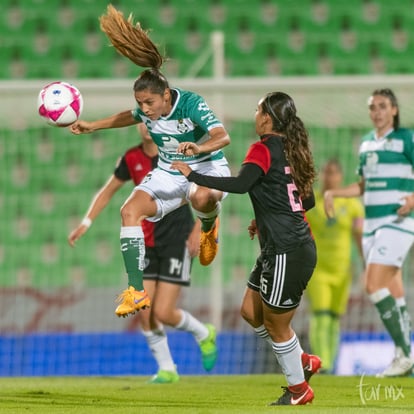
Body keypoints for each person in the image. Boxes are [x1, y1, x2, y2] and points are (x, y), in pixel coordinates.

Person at [70, 4, 231, 318]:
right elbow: (125, 117)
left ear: (167, 96)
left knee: (202, 197)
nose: (144, 109)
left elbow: (223, 136)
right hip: (169, 170)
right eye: (140, 103)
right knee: (129, 210)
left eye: (149, 102)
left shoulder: (192, 103)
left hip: (207, 166)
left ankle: (210, 225)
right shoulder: (144, 110)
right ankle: (136, 291)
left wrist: (198, 150)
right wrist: (92, 125)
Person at [172, 91, 320, 406]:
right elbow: (306, 200)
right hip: (279, 247)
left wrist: (193, 175)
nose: (254, 115)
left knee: (277, 325)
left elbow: (241, 185)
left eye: (257, 109)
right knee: (251, 312)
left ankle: (299, 391)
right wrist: (264, 216)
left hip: (287, 249)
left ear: (267, 118)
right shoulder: (293, 150)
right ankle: (303, 361)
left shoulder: (263, 148)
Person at [68, 123, 218, 383]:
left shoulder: (175, 153)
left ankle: (204, 333)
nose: (146, 127)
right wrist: (86, 222)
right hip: (147, 241)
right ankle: (167, 369)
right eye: (141, 120)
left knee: (163, 312)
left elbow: (204, 191)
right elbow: (108, 191)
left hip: (177, 239)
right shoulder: (131, 158)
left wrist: (199, 228)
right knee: (144, 310)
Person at [324, 88, 414, 377]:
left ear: (394, 110)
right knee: (393, 289)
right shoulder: (365, 144)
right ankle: (404, 356)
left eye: (383, 106)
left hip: (397, 221)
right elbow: (362, 186)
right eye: (373, 107)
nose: (377, 112)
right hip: (372, 226)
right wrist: (334, 193)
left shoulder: (406, 139)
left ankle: (404, 354)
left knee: (373, 284)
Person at [305, 159, 364, 374]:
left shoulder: (353, 206)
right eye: (327, 173)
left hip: (342, 270)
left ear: (340, 176)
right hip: (318, 269)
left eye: (334, 173)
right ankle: (323, 363)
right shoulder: (312, 203)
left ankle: (332, 363)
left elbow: (359, 237)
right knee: (320, 315)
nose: (330, 177)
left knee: (334, 318)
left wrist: (365, 265)